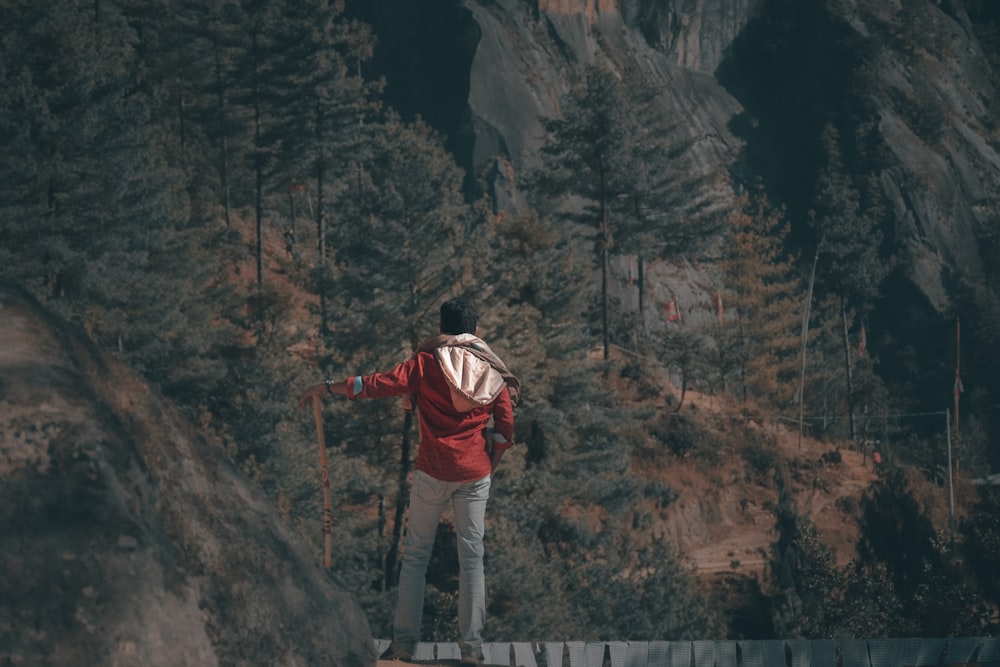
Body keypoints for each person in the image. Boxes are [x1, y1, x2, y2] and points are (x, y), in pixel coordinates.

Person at [299, 297, 519, 665]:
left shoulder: (426, 363)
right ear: (475, 331)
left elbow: (376, 384)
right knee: (472, 560)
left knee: (416, 556)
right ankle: (473, 650)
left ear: (441, 329)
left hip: (432, 470)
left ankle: (403, 647)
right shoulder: (491, 368)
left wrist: (327, 386)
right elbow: (506, 427)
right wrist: (490, 464)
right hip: (474, 473)